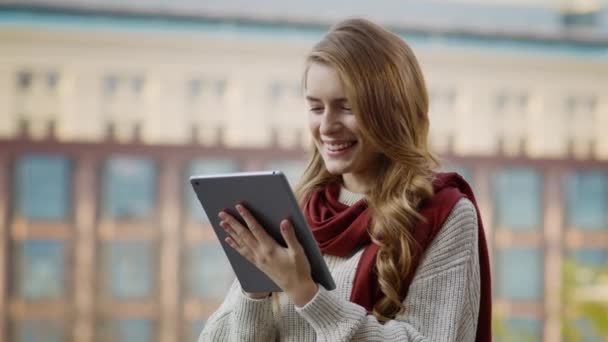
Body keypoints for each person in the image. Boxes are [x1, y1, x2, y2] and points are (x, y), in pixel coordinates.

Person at [199, 18, 491, 342]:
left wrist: (307, 293)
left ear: (392, 111)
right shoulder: (294, 211)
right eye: (315, 107)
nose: (326, 127)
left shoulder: (443, 213)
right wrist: (255, 287)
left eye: (346, 107)